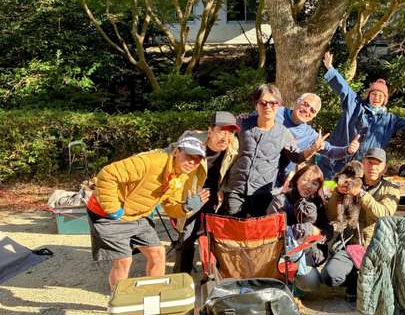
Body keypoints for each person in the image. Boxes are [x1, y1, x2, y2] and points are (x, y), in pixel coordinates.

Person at [86, 136, 208, 288]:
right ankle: (119, 299)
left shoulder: (181, 176)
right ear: (177, 151)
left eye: (198, 159)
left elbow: (170, 206)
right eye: (189, 156)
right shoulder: (151, 161)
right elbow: (108, 174)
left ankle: (153, 294)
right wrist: (113, 209)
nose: (192, 162)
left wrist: (186, 207)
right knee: (124, 260)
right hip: (107, 214)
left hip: (137, 215)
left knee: (158, 253)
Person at [319, 51, 405, 178]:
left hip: (363, 166)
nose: (376, 98)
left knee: (356, 189)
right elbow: (344, 88)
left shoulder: (389, 119)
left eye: (380, 96)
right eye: (374, 94)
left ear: (384, 100)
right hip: (337, 161)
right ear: (369, 95)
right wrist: (330, 69)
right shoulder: (355, 105)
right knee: (329, 188)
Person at [224, 84, 327, 218]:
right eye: (263, 103)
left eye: (273, 103)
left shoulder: (284, 133)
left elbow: (297, 157)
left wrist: (313, 148)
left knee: (258, 229)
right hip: (235, 189)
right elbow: (221, 138)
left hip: (262, 193)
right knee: (232, 226)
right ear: (256, 105)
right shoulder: (242, 123)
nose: (268, 107)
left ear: (278, 106)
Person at [323, 147, 400, 301]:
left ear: (384, 168)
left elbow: (384, 213)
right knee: (330, 276)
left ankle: (362, 281)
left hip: (376, 247)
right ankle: (353, 279)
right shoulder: (350, 182)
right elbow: (331, 215)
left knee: (384, 284)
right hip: (350, 245)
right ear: (363, 164)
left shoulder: (391, 189)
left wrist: (361, 194)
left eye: (378, 164)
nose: (373, 167)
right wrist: (338, 192)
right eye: (370, 162)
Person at [171, 111, 240, 274]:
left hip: (215, 193)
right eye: (221, 130)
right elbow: (171, 159)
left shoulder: (233, 144)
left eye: (230, 132)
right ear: (210, 131)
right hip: (191, 193)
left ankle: (216, 275)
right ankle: (182, 277)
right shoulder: (192, 143)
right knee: (187, 237)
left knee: (218, 236)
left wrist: (222, 189)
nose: (226, 137)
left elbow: (230, 169)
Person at [268, 163, 332, 291]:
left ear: (318, 187)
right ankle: (282, 285)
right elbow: (270, 231)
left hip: (307, 254)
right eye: (305, 179)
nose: (308, 185)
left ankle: (297, 284)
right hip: (282, 255)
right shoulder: (280, 201)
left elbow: (328, 229)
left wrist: (319, 232)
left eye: (314, 183)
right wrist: (303, 230)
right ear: (297, 179)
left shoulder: (317, 203)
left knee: (312, 283)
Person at [273, 93, 360, 186]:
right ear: (297, 102)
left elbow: (330, 151)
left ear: (314, 116)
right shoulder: (275, 112)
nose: (307, 110)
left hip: (276, 181)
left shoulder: (309, 135)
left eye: (312, 110)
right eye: (305, 104)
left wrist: (347, 150)